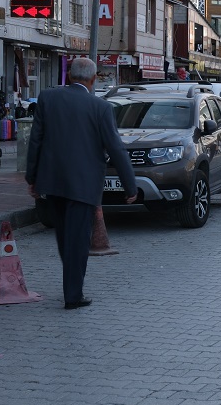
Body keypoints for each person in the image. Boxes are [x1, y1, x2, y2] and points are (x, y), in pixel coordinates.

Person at [25, 57, 137, 309]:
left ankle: (71, 282)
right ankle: (73, 294)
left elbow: (36, 140)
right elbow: (116, 149)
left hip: (53, 183)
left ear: (69, 77)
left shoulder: (47, 99)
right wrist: (129, 185)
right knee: (77, 239)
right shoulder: (100, 108)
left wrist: (32, 178)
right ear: (94, 79)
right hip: (84, 186)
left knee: (65, 237)